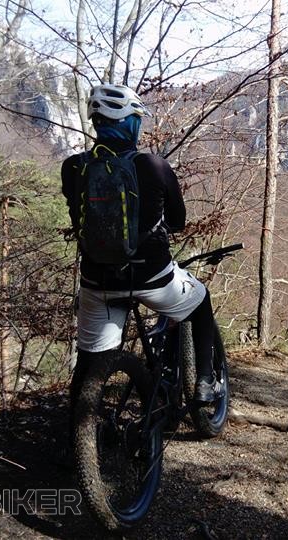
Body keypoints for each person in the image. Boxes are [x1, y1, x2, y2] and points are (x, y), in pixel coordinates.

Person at [61, 83, 221, 406]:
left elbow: (78, 219)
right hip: (152, 279)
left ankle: (78, 419)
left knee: (90, 361)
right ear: (131, 123)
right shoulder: (153, 165)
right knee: (201, 301)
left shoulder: (73, 167)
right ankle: (206, 383)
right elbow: (177, 220)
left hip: (96, 281)